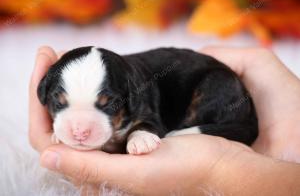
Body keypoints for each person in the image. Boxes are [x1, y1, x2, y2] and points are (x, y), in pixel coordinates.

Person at [29, 46, 300, 195]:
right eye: (60, 105)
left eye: (107, 105)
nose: (78, 128)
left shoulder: (136, 91)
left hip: (210, 89)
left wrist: (217, 169)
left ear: (129, 97)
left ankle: (208, 128)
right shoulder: (121, 83)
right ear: (46, 93)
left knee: (212, 88)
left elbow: (149, 122)